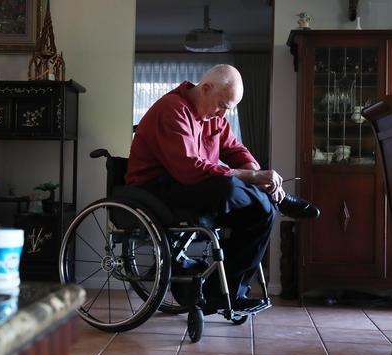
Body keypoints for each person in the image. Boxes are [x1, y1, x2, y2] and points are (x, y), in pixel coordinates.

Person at [125, 64, 319, 311]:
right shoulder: (172, 109)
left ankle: (227, 293)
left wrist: (256, 172)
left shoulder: (213, 116)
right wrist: (252, 176)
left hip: (186, 185)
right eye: (222, 106)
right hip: (156, 189)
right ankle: (278, 199)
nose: (222, 115)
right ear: (205, 89)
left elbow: (235, 150)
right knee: (228, 187)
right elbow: (189, 168)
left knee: (262, 213)